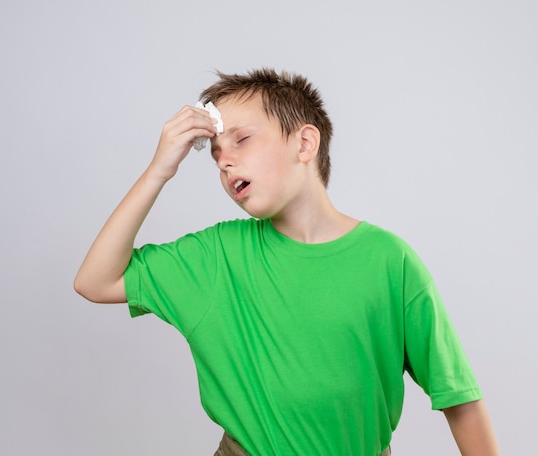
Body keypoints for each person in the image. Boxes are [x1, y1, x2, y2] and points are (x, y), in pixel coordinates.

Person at [74, 68, 499, 455]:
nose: (224, 160)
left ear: (305, 143)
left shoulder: (390, 260)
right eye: (215, 152)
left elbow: (459, 399)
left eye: (241, 139)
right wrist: (158, 171)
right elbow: (95, 282)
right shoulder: (217, 256)